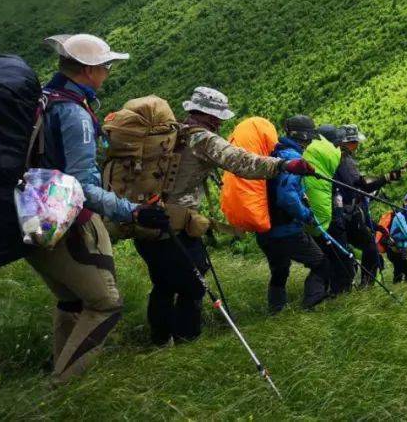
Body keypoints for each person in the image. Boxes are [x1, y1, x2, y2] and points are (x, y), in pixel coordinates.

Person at [27, 33, 168, 383]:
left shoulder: (44, 99)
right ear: (89, 70)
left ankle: (59, 368)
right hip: (66, 218)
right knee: (105, 303)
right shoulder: (73, 113)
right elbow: (82, 187)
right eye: (105, 66)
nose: (107, 72)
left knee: (71, 300)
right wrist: (132, 211)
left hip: (31, 211)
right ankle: (61, 387)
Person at [134, 88, 312, 345]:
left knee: (162, 283)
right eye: (218, 118)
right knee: (193, 285)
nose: (220, 123)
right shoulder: (202, 140)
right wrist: (282, 165)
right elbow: (240, 161)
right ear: (209, 116)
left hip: (143, 219)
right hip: (175, 225)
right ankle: (187, 341)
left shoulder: (170, 133)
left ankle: (160, 341)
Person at [256, 115, 331, 313]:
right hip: (286, 230)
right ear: (304, 137)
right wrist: (306, 215)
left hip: (265, 229)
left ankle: (276, 310)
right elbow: (287, 198)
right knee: (321, 263)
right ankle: (310, 305)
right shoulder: (292, 158)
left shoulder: (274, 154)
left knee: (280, 270)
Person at [330, 124, 400, 290]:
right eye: (355, 142)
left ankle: (343, 286)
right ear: (347, 143)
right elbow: (360, 186)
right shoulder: (345, 160)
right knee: (369, 246)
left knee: (344, 250)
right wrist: (386, 178)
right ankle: (365, 285)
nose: (357, 146)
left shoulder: (334, 158)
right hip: (347, 213)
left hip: (338, 211)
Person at [302, 125, 345, 293]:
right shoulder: (333, 159)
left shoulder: (307, 156)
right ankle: (319, 296)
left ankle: (327, 292)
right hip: (324, 220)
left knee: (324, 259)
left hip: (313, 218)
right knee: (327, 260)